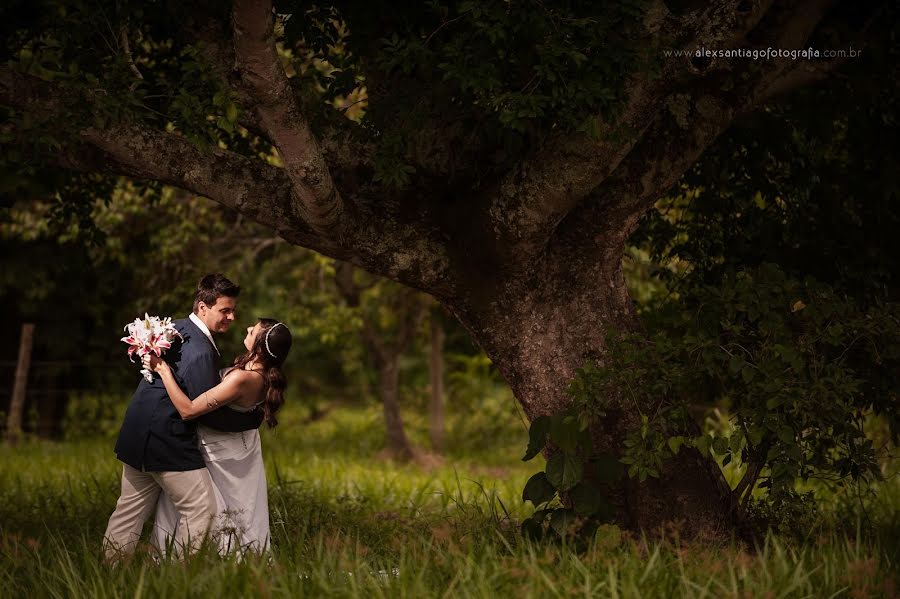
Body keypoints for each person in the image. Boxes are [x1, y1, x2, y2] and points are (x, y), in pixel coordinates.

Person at [103, 274, 263, 560]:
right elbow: (202, 413)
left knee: (129, 510)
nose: (232, 317)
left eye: (233, 310)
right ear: (203, 307)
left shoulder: (175, 327)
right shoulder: (202, 351)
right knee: (202, 510)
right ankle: (176, 576)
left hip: (136, 432)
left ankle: (108, 573)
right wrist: (250, 419)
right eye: (225, 310)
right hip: (167, 441)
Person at [143, 318, 292, 556]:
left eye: (252, 330)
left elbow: (188, 410)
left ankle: (198, 559)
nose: (246, 328)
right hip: (237, 448)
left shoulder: (243, 379)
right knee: (232, 508)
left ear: (261, 347)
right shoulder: (257, 372)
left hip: (221, 453)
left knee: (217, 509)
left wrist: (162, 369)